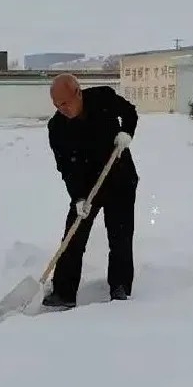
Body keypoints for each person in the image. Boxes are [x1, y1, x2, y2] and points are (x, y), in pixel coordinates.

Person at [43, 73, 139, 309]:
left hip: (119, 178)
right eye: (57, 105)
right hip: (86, 187)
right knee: (73, 237)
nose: (61, 109)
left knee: (120, 236)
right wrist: (77, 198)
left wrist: (126, 132)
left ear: (78, 93)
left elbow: (130, 112)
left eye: (65, 103)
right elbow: (65, 167)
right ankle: (64, 293)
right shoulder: (57, 127)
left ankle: (120, 287)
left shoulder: (102, 98)